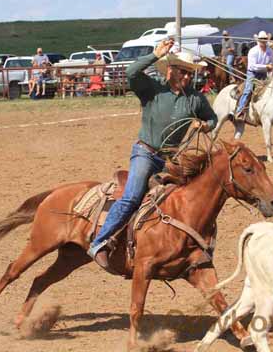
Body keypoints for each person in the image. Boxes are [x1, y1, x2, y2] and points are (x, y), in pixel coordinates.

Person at [88, 38, 218, 271]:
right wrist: (155, 54)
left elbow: (212, 118)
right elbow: (131, 71)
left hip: (170, 159)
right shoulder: (152, 89)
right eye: (183, 72)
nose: (188, 77)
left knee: (187, 197)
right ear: (171, 71)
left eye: (190, 73)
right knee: (132, 196)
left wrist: (205, 126)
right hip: (145, 153)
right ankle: (100, 242)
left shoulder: (195, 99)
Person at [235, 31, 273, 120]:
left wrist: (271, 67)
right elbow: (253, 66)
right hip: (252, 73)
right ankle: (240, 110)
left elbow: (272, 62)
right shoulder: (253, 51)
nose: (263, 41)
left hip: (264, 73)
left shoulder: (270, 51)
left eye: (265, 39)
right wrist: (266, 66)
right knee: (248, 90)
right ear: (259, 40)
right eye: (262, 39)